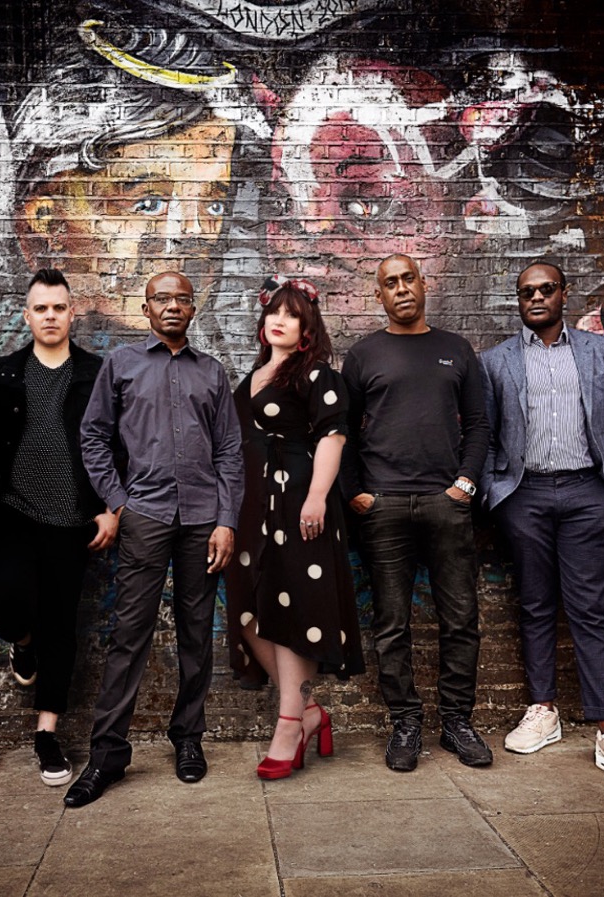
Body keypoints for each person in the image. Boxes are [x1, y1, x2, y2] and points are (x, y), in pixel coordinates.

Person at [479, 262, 604, 791]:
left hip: (590, 492)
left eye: (545, 289)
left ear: (564, 294)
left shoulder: (601, 352)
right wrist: (499, 496)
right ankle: (543, 710)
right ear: (518, 301)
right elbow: (487, 436)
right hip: (525, 496)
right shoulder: (496, 362)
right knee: (536, 605)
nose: (536, 298)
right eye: (526, 292)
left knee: (588, 608)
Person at [65, 271, 245, 807]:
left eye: (182, 299)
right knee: (129, 637)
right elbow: (94, 435)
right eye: (161, 299)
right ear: (145, 309)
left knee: (196, 634)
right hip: (143, 516)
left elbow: (230, 452)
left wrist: (226, 520)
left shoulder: (212, 373)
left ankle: (188, 740)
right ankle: (107, 757)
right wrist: (117, 500)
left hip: (201, 522)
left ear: (193, 309)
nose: (172, 306)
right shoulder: (121, 364)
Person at [0, 269, 118, 787]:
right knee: (6, 602)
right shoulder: (4, 373)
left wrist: (111, 509)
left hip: (71, 524)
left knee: (62, 624)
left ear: (72, 314)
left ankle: (46, 733)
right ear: (26, 316)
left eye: (58, 308)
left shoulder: (96, 373)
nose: (50, 317)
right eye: (41, 309)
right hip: (11, 514)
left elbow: (117, 447)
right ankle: (20, 641)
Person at [342, 253, 492, 772]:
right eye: (390, 283)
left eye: (408, 278)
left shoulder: (456, 349)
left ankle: (457, 723)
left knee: (460, 618)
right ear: (378, 295)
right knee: (391, 623)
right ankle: (406, 722)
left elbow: (478, 423)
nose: (401, 288)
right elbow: (343, 432)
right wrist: (356, 493)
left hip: (446, 502)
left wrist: (465, 483)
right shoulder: (362, 355)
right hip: (382, 507)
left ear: (423, 285)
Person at [224, 275, 366, 780]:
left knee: (293, 610)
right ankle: (309, 713)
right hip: (251, 508)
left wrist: (316, 498)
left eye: (292, 315)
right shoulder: (254, 376)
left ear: (307, 328)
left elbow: (333, 436)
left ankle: (289, 724)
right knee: (246, 610)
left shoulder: (316, 375)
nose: (279, 321)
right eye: (273, 313)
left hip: (297, 504)